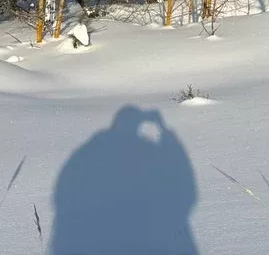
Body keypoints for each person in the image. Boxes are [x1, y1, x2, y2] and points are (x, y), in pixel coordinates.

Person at [50, 106, 199, 255]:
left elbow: (65, 190)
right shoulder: (145, 149)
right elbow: (180, 179)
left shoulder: (91, 150)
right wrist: (164, 131)